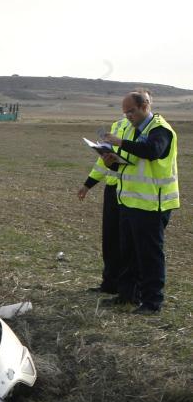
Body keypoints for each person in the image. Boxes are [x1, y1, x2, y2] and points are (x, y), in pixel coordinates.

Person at [101, 89, 179, 314]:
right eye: (125, 113)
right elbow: (131, 164)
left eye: (131, 112)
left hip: (153, 205)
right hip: (130, 202)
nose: (128, 117)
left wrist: (121, 142)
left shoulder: (160, 129)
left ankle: (152, 302)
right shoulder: (135, 130)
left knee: (149, 256)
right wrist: (110, 162)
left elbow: (153, 151)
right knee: (128, 254)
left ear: (145, 106)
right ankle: (127, 296)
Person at [77, 114, 135, 293]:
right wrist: (88, 184)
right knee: (110, 239)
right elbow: (103, 162)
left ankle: (127, 288)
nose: (129, 114)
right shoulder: (117, 126)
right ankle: (109, 284)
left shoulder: (144, 128)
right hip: (112, 189)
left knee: (127, 242)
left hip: (132, 190)